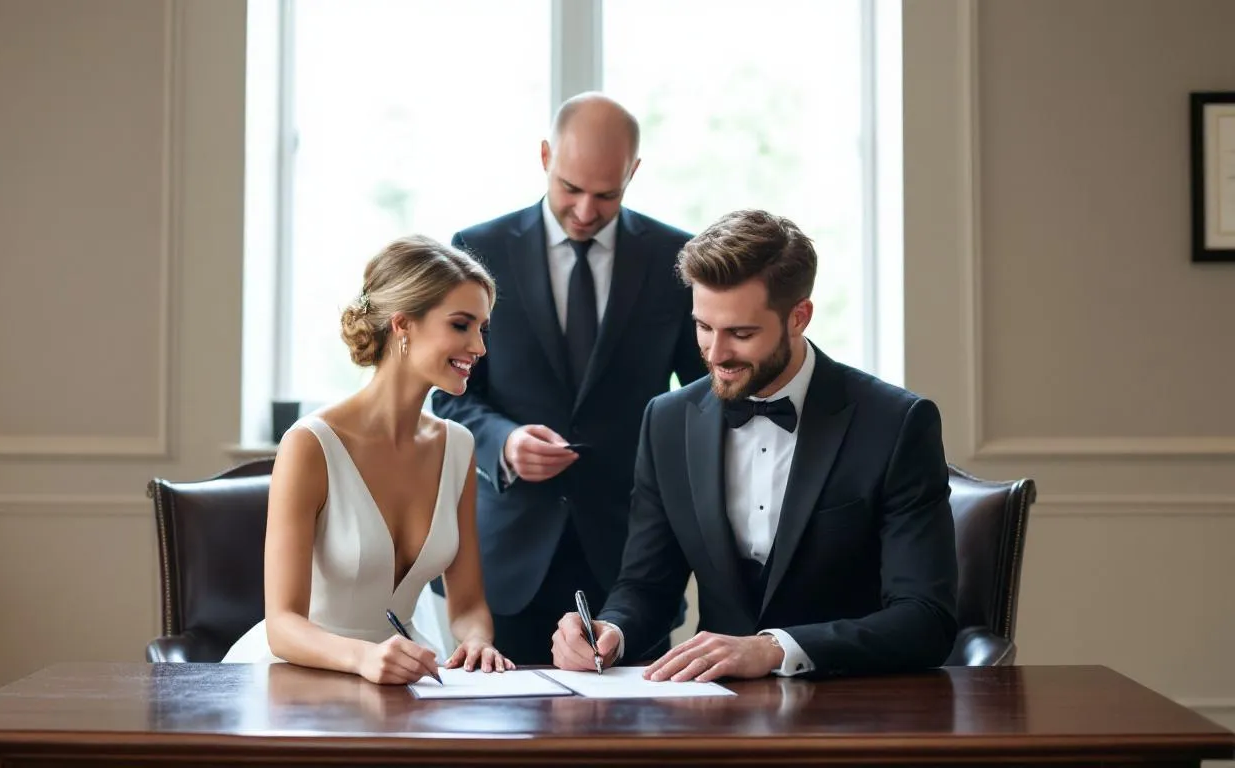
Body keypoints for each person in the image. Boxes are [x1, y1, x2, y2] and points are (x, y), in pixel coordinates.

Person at [551, 209, 958, 680]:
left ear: (798, 317)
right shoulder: (666, 420)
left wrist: (775, 650)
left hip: (854, 706)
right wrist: (611, 632)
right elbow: (647, 585)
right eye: (703, 327)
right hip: (716, 711)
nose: (716, 354)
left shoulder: (896, 423)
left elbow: (925, 619)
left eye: (741, 334)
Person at [430, 92, 706, 665]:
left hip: (633, 559)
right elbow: (450, 393)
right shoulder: (477, 248)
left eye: (607, 194)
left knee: (634, 745)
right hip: (506, 558)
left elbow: (707, 395)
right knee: (502, 744)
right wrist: (502, 442)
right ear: (544, 157)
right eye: (570, 188)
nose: (584, 210)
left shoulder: (675, 257)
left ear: (633, 171)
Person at [222, 235, 516, 683]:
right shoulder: (310, 444)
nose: (479, 347)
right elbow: (282, 626)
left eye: (483, 329)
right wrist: (364, 657)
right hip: (297, 675)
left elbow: (468, 605)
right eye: (461, 325)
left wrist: (476, 639)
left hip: (404, 676)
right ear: (403, 325)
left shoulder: (457, 446)